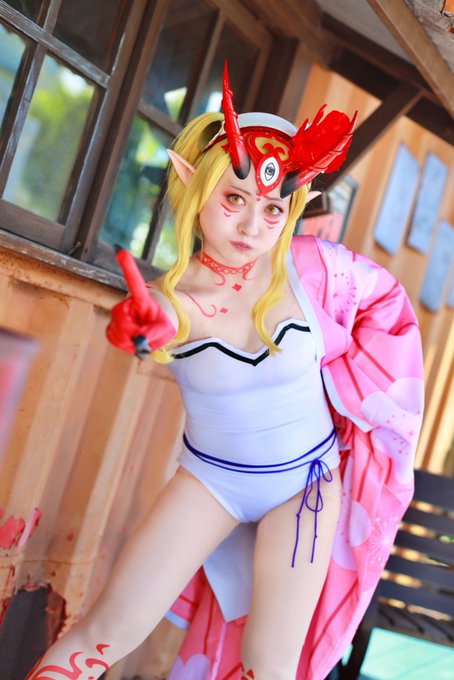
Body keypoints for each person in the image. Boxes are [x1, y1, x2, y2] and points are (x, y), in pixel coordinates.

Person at [25, 65, 424, 680]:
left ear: (292, 210)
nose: (251, 226)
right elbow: (157, 319)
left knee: (270, 663)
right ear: (192, 185)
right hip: (211, 480)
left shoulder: (316, 270)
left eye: (273, 208)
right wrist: (138, 325)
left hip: (308, 485)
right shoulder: (176, 298)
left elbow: (387, 309)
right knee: (105, 633)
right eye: (234, 199)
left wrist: (350, 385)